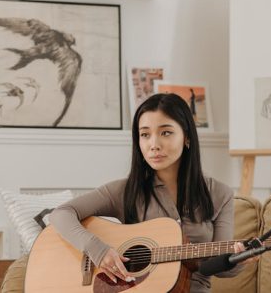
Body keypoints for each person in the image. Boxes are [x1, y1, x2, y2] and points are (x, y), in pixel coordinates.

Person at [51, 93, 252, 292]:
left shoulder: (220, 194)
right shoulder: (124, 191)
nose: (154, 145)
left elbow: (218, 269)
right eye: (145, 134)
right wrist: (99, 251)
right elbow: (61, 214)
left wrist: (240, 258)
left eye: (165, 133)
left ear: (187, 137)